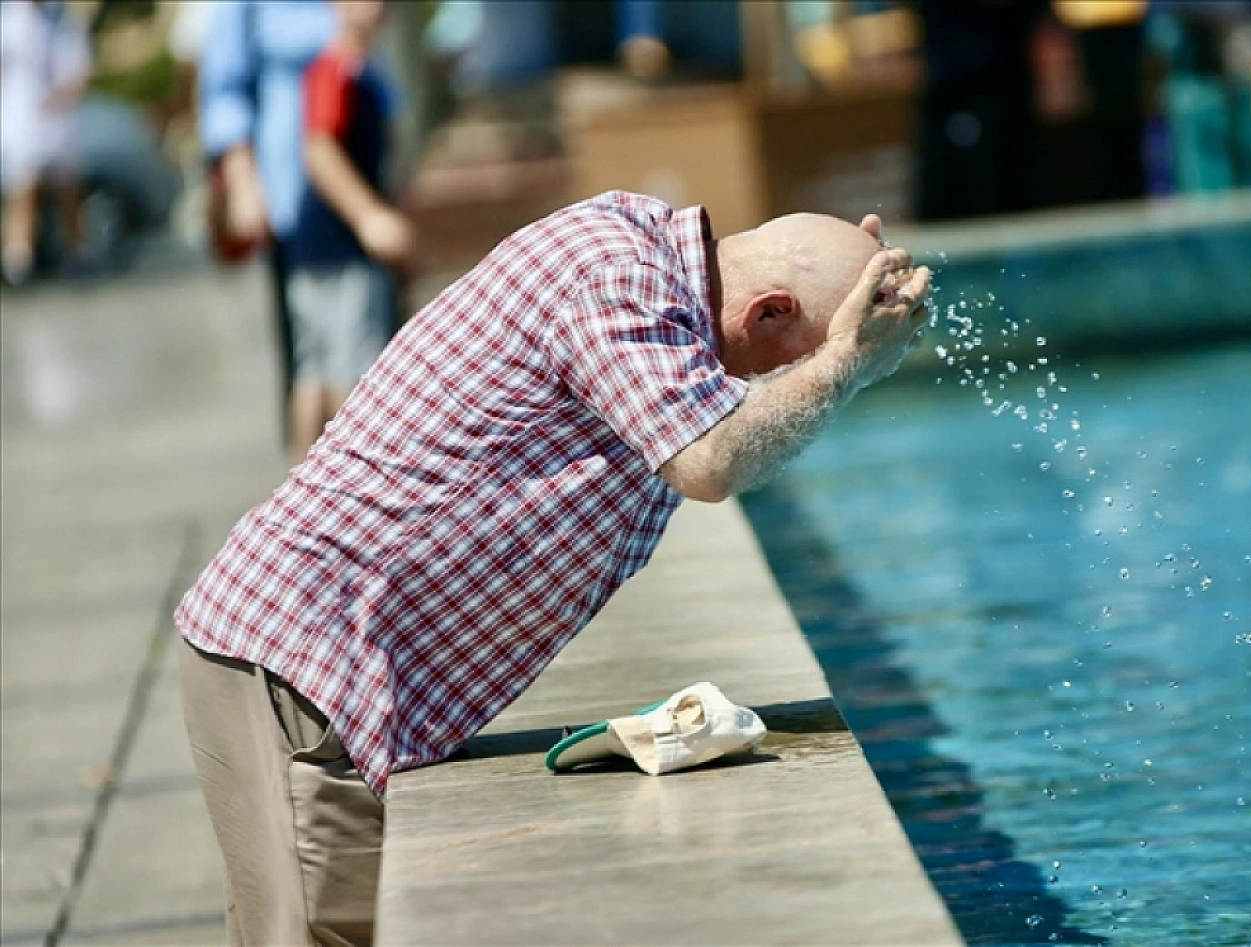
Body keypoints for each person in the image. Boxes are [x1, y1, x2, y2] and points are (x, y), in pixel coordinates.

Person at [174, 190, 932, 946]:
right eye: (792, 355)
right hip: (307, 665)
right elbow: (713, 457)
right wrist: (843, 363)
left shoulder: (654, 282)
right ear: (768, 313)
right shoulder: (618, 276)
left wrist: (848, 279)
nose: (788, 382)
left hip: (326, 668)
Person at [196, 0, 340, 447]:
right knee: (313, 359)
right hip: (294, 195)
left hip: (360, 189)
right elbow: (224, 90)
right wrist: (243, 182)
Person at [288, 0, 408, 463]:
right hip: (338, 242)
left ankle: (305, 480)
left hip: (328, 243)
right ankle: (345, 473)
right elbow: (318, 148)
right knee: (347, 365)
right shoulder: (334, 69)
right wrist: (367, 216)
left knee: (317, 363)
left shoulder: (369, 74)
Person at [0, 0, 91, 285]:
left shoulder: (63, 19)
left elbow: (79, 70)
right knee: (23, 190)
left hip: (57, 121)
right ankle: (18, 262)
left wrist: (59, 98)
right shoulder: (8, 17)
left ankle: (76, 256)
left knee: (68, 191)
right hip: (20, 119)